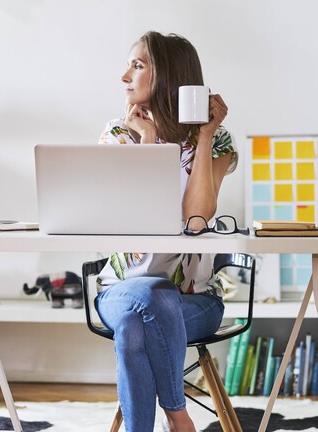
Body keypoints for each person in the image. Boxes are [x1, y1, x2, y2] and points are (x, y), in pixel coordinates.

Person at [95, 31, 238, 432]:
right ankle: (178, 415)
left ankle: (160, 421)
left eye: (137, 65)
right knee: (146, 300)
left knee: (135, 325)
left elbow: (197, 217)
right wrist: (149, 142)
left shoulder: (217, 141)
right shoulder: (118, 135)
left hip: (194, 299)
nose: (125, 76)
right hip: (122, 288)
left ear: (169, 76)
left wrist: (204, 136)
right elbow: (136, 214)